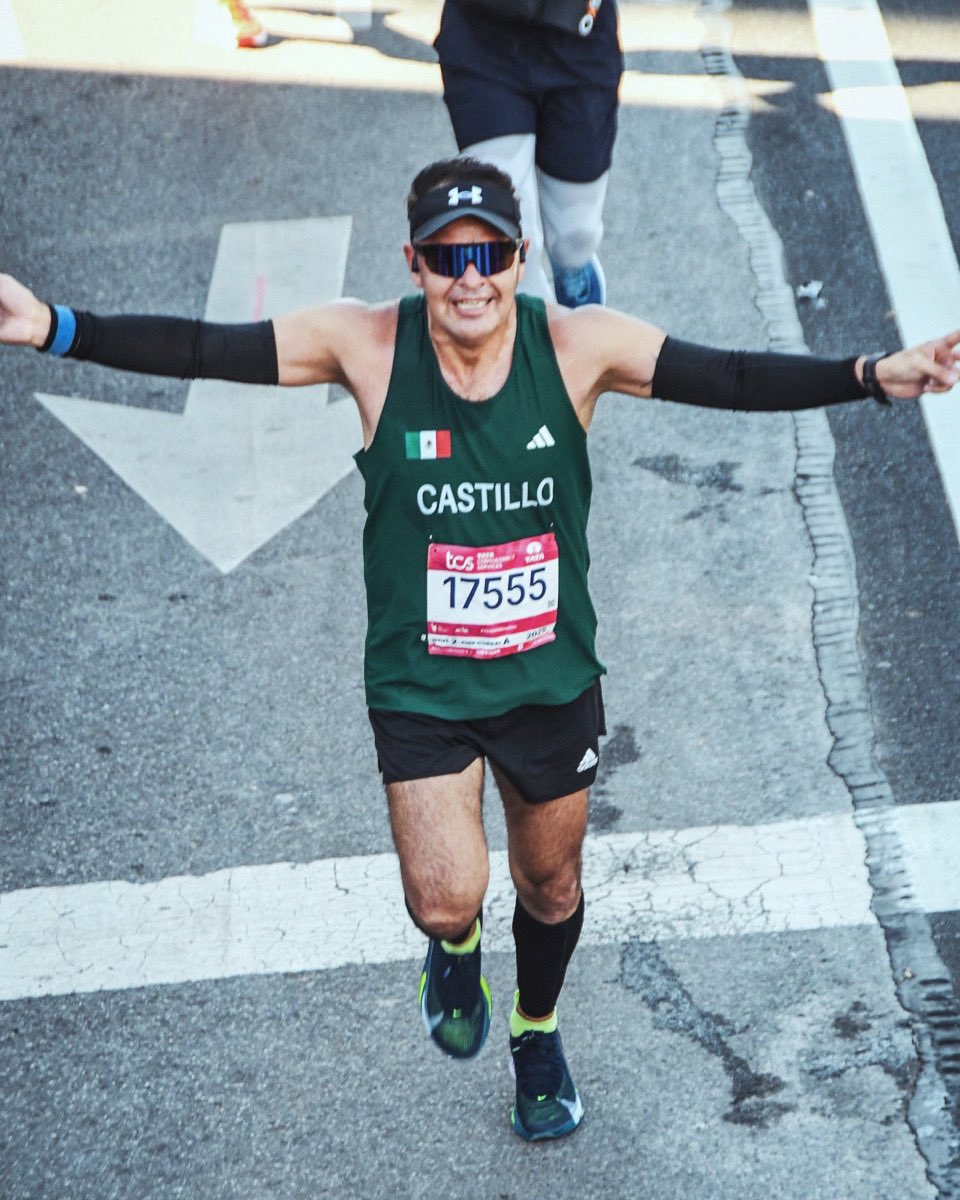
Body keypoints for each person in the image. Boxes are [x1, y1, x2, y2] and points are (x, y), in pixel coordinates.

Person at [2, 156, 958, 1142]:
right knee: (443, 894)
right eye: (448, 256)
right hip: (422, 682)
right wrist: (55, 327)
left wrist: (869, 378)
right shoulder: (367, 346)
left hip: (547, 680)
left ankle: (535, 1034)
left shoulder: (580, 346)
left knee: (551, 885)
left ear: (519, 258)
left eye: (490, 253)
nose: (471, 277)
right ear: (414, 263)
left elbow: (730, 375)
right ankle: (453, 947)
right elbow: (211, 347)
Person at [433, 0, 623, 307]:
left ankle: (575, 287)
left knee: (575, 239)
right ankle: (550, 349)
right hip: (483, 41)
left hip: (580, 42)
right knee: (513, 242)